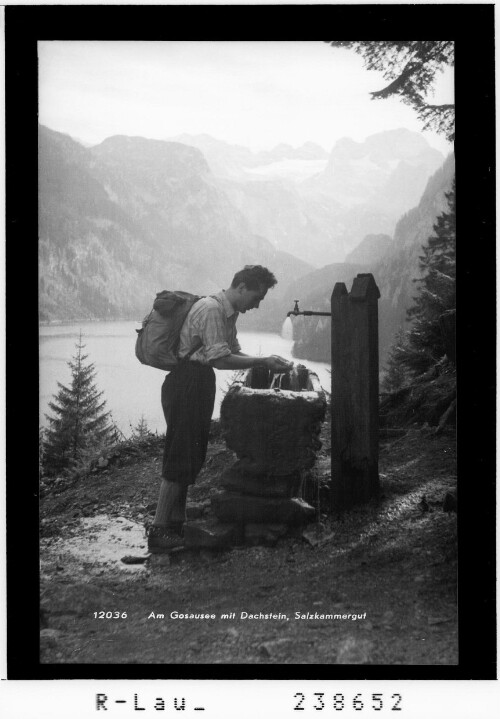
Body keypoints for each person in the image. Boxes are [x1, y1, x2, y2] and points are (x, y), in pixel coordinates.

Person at [148, 265, 294, 552]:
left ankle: (176, 523)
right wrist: (262, 362)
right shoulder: (213, 310)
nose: (258, 303)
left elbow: (231, 351)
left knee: (190, 452)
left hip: (195, 381)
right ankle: (160, 531)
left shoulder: (228, 312)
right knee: (181, 452)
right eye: (257, 296)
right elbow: (220, 359)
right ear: (241, 287)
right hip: (188, 381)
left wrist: (266, 359)